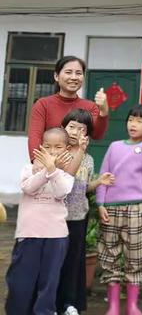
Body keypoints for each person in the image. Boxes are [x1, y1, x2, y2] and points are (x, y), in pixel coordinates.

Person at [96, 103, 142, 315]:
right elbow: (103, 176)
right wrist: (100, 204)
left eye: (139, 120)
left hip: (136, 209)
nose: (133, 124)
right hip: (111, 209)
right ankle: (113, 305)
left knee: (136, 256)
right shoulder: (114, 146)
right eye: (130, 120)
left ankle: (132, 305)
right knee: (109, 256)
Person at [5, 128, 74, 315]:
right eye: (47, 147)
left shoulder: (67, 175)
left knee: (49, 283)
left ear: (67, 149)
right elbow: (28, 187)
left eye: (58, 147)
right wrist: (46, 171)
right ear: (40, 148)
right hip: (29, 234)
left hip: (56, 236)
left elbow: (61, 192)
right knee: (20, 281)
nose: (52, 152)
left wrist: (53, 170)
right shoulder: (29, 168)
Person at [56, 109, 115, 315]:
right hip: (54, 217)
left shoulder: (88, 159)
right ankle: (51, 302)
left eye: (82, 129)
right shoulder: (57, 153)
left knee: (73, 262)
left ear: (87, 135)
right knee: (54, 261)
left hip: (78, 217)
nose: (75, 132)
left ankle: (69, 303)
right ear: (63, 127)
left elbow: (82, 187)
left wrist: (99, 182)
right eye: (72, 126)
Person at [28, 55, 109, 165]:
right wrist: (36, 160)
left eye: (79, 73)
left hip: (78, 166)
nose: (74, 77)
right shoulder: (43, 104)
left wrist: (103, 112)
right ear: (56, 76)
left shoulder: (90, 107)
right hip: (48, 165)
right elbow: (35, 135)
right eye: (68, 72)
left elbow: (97, 135)